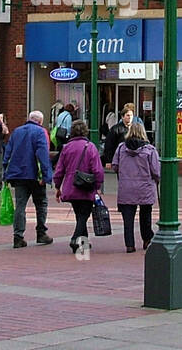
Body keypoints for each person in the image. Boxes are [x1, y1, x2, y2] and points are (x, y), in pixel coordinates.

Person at [2, 110, 54, 249]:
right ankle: (41, 232)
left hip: (18, 175)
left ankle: (18, 236)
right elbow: (42, 154)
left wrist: (6, 172)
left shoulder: (17, 132)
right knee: (41, 204)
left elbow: (8, 152)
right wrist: (46, 175)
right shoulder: (40, 132)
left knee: (20, 205)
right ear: (40, 121)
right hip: (35, 175)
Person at [53, 120, 104, 256]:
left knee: (80, 214)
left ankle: (84, 241)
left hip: (71, 186)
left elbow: (59, 170)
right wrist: (98, 186)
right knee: (83, 215)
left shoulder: (66, 147)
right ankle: (75, 238)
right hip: (87, 186)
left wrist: (58, 186)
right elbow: (97, 170)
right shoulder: (90, 147)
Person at [114, 120, 160, 253]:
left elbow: (115, 166)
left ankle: (129, 244)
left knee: (127, 217)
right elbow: (156, 171)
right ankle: (147, 239)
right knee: (145, 214)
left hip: (126, 187)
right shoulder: (150, 150)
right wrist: (156, 179)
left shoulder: (121, 148)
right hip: (144, 187)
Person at [101, 103, 136, 169]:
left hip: (133, 159)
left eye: (131, 115)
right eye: (128, 115)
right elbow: (109, 145)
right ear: (123, 117)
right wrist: (108, 160)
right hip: (121, 158)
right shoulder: (115, 129)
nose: (130, 117)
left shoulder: (135, 128)